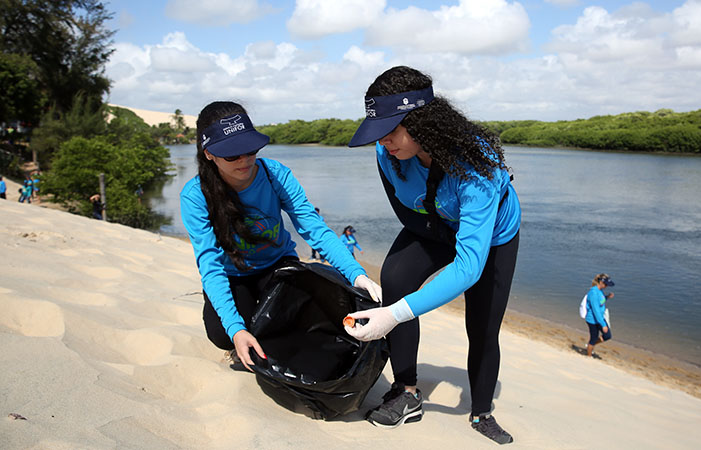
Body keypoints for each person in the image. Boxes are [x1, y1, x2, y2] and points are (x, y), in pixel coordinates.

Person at [346, 66, 521, 444]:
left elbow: (469, 267)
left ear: (422, 123)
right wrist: (398, 300)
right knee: (395, 276)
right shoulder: (386, 152)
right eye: (379, 132)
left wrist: (394, 315)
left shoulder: (477, 167)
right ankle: (407, 393)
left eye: (391, 131)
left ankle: (481, 413)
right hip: (434, 222)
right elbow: (403, 209)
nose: (384, 142)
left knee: (483, 325)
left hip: (490, 238)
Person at [180, 101, 382, 372]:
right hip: (232, 274)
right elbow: (210, 267)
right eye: (232, 155)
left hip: (277, 265)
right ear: (209, 155)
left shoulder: (274, 174)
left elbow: (314, 228)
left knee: (298, 317)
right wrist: (236, 330)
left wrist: (357, 274)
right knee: (222, 333)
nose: (245, 160)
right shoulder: (195, 196)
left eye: (250, 150)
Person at [584, 273, 614, 358]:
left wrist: (607, 297)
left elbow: (600, 301)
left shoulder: (599, 291)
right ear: (600, 282)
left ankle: (590, 345)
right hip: (593, 320)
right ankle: (589, 357)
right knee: (593, 338)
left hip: (599, 318)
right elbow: (595, 310)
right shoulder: (593, 292)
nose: (606, 286)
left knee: (607, 336)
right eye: (606, 284)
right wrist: (603, 324)